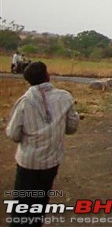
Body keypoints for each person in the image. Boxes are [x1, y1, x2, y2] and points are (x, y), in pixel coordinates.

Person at [5, 61, 79, 226]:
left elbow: (13, 134)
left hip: (28, 163)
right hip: (51, 162)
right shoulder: (65, 97)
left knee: (22, 206)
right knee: (40, 201)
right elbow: (72, 127)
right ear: (47, 76)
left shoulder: (24, 102)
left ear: (28, 80)